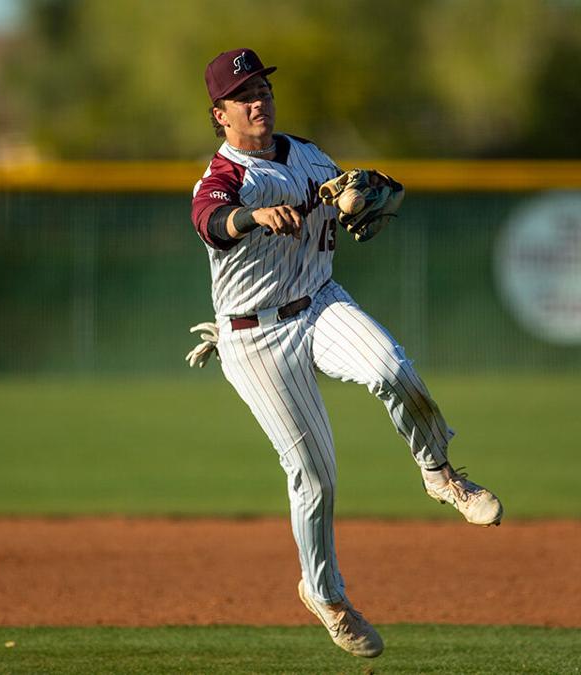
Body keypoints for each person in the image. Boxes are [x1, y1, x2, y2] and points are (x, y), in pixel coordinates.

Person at [188, 48, 503, 659]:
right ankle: (326, 596)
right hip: (254, 336)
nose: (259, 101)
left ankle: (441, 473)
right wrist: (252, 217)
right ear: (219, 115)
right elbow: (210, 221)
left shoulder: (307, 154)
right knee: (314, 477)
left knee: (392, 367)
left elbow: (374, 193)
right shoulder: (223, 176)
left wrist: (373, 194)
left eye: (263, 89)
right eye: (243, 94)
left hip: (320, 301)